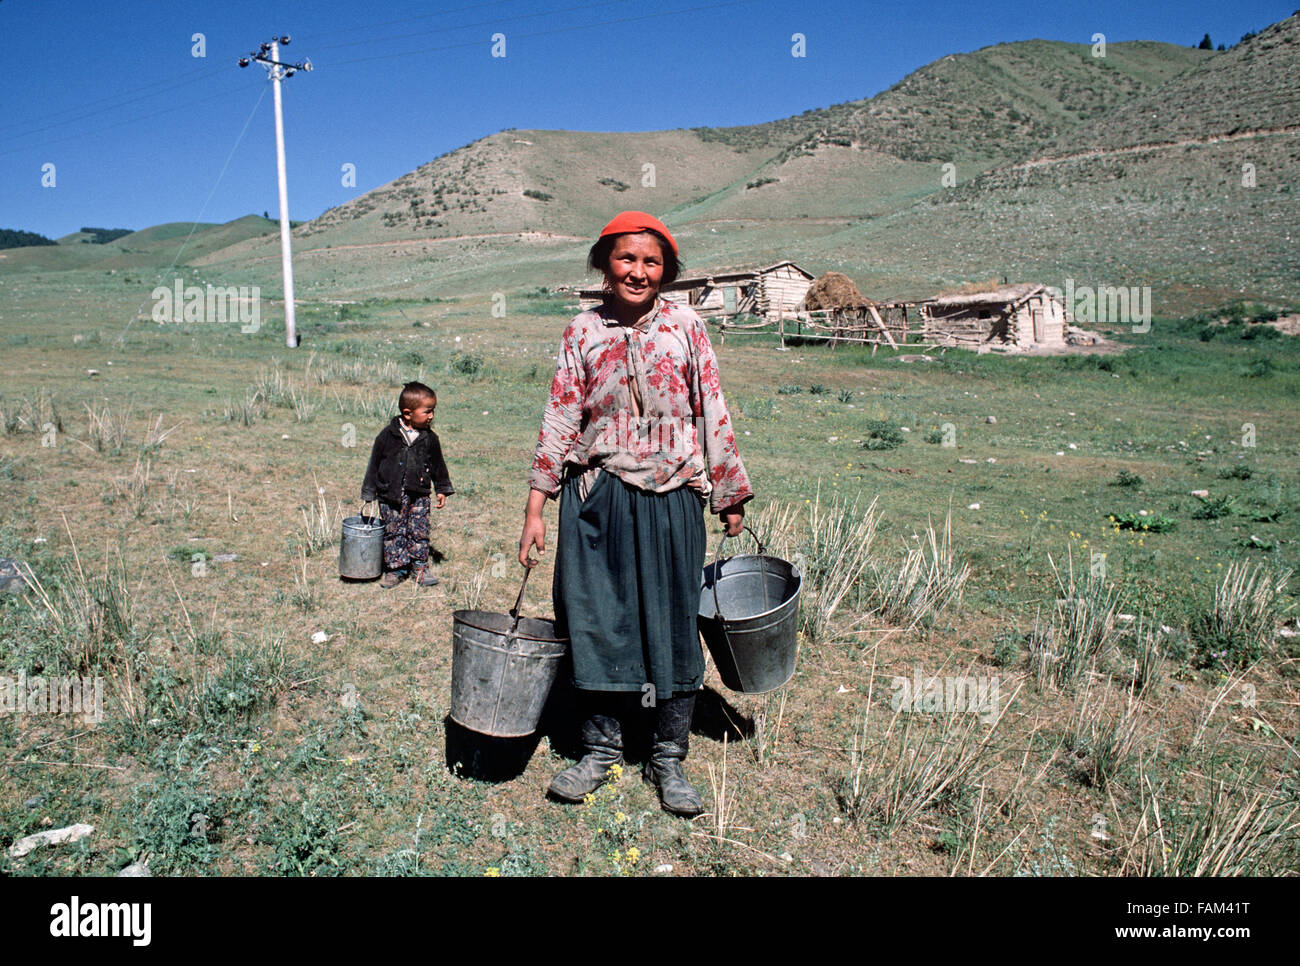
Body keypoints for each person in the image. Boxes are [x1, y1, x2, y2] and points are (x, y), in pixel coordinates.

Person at [519, 211, 752, 816]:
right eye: (626, 259)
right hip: (597, 492)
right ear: (604, 264)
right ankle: (600, 748)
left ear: (667, 273)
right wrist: (536, 507)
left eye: (652, 263)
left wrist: (728, 492)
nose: (638, 272)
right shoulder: (582, 333)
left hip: (674, 493)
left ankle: (667, 755)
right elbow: (561, 416)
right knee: (597, 615)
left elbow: (713, 409)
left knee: (673, 619)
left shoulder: (686, 327)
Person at [361, 381, 454, 588]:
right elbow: (374, 463)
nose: (431, 416)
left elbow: (438, 465)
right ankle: (396, 569)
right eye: (427, 411)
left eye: (433, 411)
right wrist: (369, 491)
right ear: (407, 413)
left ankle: (419, 567)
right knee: (394, 531)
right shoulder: (387, 436)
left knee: (419, 530)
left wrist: (442, 489)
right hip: (390, 495)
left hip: (419, 494)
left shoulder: (430, 439)